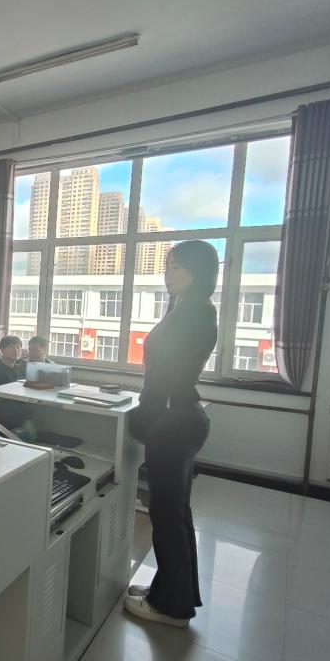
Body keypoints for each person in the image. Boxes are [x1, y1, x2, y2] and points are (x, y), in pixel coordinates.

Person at [123, 241, 218, 629]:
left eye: (176, 267)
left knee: (166, 516)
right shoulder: (190, 309)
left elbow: (165, 375)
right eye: (167, 266)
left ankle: (171, 607)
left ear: (199, 270)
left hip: (174, 422)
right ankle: (173, 592)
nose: (168, 274)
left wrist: (144, 417)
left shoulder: (194, 314)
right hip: (181, 418)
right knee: (175, 514)